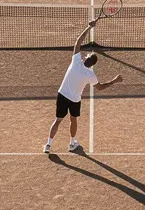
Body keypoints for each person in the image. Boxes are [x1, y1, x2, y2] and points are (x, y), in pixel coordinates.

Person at [44, 20, 122, 153]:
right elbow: (100, 87)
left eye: (86, 55)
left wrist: (89, 27)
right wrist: (114, 80)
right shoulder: (90, 74)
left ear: (86, 59)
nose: (84, 55)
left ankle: (48, 145)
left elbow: (78, 42)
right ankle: (71, 143)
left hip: (62, 94)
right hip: (74, 100)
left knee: (57, 120)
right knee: (73, 121)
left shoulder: (75, 61)